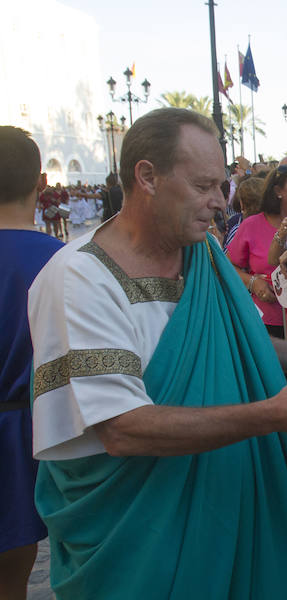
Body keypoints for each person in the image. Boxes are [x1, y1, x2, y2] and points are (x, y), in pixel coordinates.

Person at [27, 108, 287, 600]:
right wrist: (270, 415)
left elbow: (231, 343)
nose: (219, 203)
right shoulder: (79, 279)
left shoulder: (200, 253)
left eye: (222, 186)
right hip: (137, 540)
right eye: (204, 186)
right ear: (147, 177)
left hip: (222, 506)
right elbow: (121, 428)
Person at [0, 127, 64, 600]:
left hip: (22, 423)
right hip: (27, 433)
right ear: (41, 183)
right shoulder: (63, 263)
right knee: (11, 578)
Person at [227, 164, 287, 338]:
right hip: (267, 321)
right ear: (278, 191)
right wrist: (254, 283)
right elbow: (229, 266)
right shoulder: (251, 225)